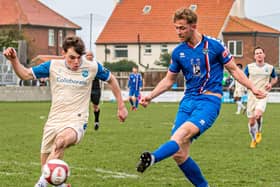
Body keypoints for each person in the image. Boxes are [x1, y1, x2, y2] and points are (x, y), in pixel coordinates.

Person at [136, 8, 265, 187]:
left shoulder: (214, 46)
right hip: (187, 102)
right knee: (179, 153)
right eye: (176, 28)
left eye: (182, 28)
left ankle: (152, 157)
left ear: (193, 26)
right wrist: (150, 96)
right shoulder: (178, 52)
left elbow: (234, 70)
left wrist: (252, 87)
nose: (178, 32)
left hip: (208, 102)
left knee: (180, 135)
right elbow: (168, 79)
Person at [3, 35, 128, 187]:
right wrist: (14, 60)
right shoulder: (53, 66)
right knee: (48, 168)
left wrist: (121, 106)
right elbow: (25, 74)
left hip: (76, 120)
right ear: (63, 53)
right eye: (72, 58)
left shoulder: (92, 67)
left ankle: (39, 184)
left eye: (79, 58)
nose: (76, 62)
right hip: (53, 120)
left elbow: (112, 80)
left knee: (60, 142)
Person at [244, 46, 278, 148]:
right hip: (251, 96)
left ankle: (259, 131)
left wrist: (271, 84)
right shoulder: (249, 67)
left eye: (260, 53)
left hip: (263, 95)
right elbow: (243, 78)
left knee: (258, 114)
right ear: (254, 56)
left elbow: (275, 78)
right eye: (257, 53)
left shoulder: (270, 68)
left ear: (264, 55)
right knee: (251, 122)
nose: (259, 54)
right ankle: (253, 139)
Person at [85, 51, 102, 130]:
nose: (89, 56)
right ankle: (82, 123)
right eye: (87, 55)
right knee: (82, 106)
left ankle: (96, 121)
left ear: (93, 56)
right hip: (85, 89)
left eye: (90, 55)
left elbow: (103, 74)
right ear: (85, 56)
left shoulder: (97, 66)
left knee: (95, 106)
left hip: (95, 89)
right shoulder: (82, 66)